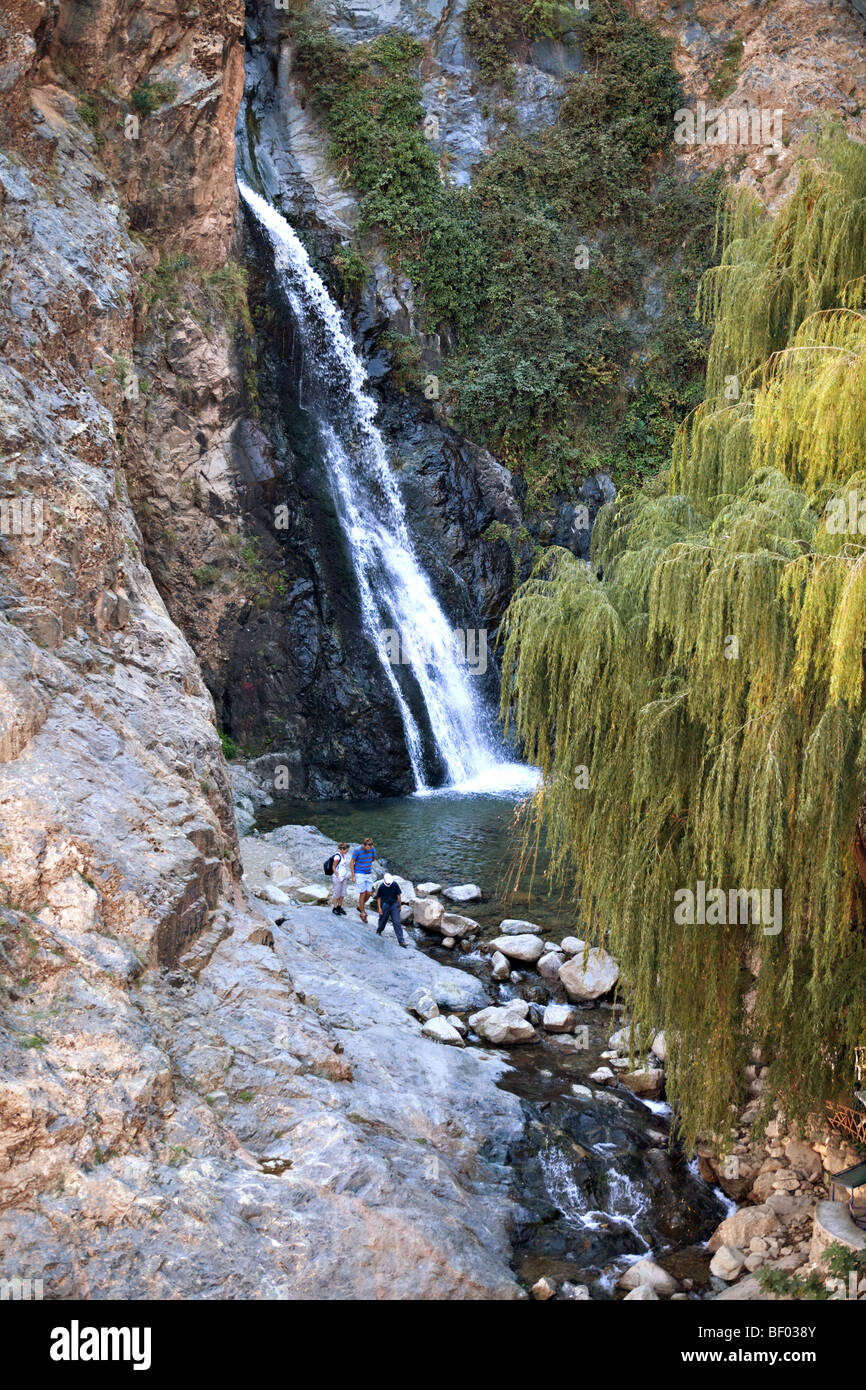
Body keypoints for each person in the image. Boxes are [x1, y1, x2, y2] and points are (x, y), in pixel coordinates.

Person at [374, 873, 407, 947]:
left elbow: (398, 895)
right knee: (383, 919)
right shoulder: (382, 886)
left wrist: (400, 905)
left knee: (397, 922)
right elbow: (378, 898)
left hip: (394, 904)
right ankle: (379, 930)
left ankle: (401, 941)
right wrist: (379, 908)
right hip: (385, 904)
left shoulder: (395, 884)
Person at [351, 837, 377, 923]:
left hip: (368, 873)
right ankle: (362, 912)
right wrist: (353, 875)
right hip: (359, 873)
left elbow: (373, 858)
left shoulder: (372, 849)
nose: (369, 848)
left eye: (370, 846)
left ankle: (360, 906)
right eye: (367, 847)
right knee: (362, 893)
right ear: (363, 845)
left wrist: (367, 862)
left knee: (369, 893)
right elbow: (352, 862)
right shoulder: (357, 850)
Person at [331, 842, 350, 916]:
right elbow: (333, 867)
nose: (347, 852)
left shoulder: (343, 856)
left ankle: (339, 907)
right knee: (337, 893)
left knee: (343, 893)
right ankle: (335, 908)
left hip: (344, 877)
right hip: (338, 877)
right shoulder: (337, 857)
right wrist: (338, 876)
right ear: (342, 849)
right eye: (346, 850)